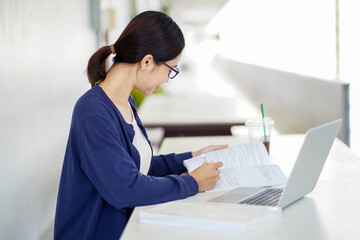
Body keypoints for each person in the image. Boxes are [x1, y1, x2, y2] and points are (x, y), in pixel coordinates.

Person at [54, 11, 227, 240]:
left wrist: (193, 157)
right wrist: (192, 182)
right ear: (146, 62)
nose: (167, 79)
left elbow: (138, 166)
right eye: (171, 70)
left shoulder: (125, 101)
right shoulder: (93, 111)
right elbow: (125, 189)